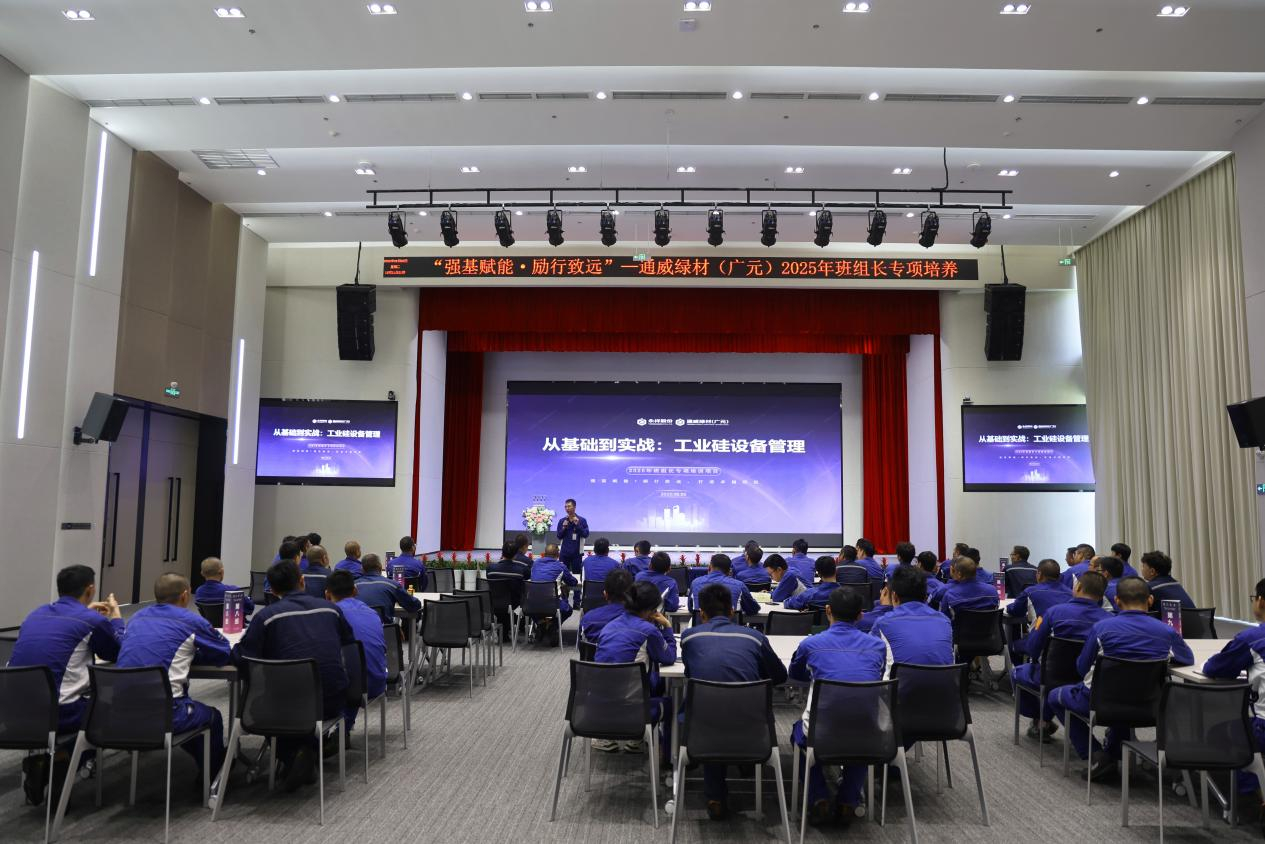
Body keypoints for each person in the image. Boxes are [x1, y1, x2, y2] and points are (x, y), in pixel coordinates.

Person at [1046, 575, 1193, 779]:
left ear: (1116, 600)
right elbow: (1187, 658)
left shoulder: (1102, 628)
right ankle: (1113, 752)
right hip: (1149, 705)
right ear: (1150, 600)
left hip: (1100, 703)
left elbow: (1081, 667)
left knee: (1055, 696)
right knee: (1127, 691)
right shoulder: (1167, 632)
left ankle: (1096, 754)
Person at [233, 559, 356, 790]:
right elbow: (348, 643)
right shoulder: (331, 609)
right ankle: (306, 751)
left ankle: (295, 754)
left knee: (262, 706)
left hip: (284, 705)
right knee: (295, 706)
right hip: (331, 700)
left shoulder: (266, 617)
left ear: (272, 590)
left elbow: (243, 658)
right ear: (302, 581)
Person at [681, 583, 788, 819]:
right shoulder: (755, 638)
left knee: (708, 712)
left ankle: (715, 796)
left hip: (703, 727)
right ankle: (745, 763)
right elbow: (780, 676)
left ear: (702, 614)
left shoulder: (689, 638)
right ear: (732, 611)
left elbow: (691, 673)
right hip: (753, 726)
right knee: (729, 709)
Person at [117, 573, 231, 782]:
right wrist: (195, 654)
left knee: (192, 713)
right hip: (165, 714)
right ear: (185, 595)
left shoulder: (135, 618)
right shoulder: (191, 621)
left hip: (118, 713)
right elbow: (223, 652)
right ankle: (213, 779)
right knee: (212, 717)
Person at [790, 586, 886, 826]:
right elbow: (876, 676)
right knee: (860, 731)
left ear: (827, 610)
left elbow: (796, 674)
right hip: (869, 731)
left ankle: (818, 797)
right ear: (860, 615)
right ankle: (848, 800)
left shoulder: (811, 644)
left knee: (797, 734)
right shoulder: (877, 646)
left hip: (821, 732)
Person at [9, 565, 124, 733]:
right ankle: (84, 750)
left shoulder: (35, 614)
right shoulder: (92, 620)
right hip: (59, 714)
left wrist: (85, 611)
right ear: (90, 590)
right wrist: (116, 618)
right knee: (112, 703)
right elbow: (118, 652)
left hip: (14, 711)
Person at [1011, 571, 1110, 742]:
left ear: (1078, 587)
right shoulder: (1108, 621)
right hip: (1090, 683)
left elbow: (1033, 649)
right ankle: (1044, 719)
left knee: (1017, 672)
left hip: (1050, 677)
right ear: (1102, 595)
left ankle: (1040, 718)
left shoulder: (1053, 613)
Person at [593, 581, 677, 756]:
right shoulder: (649, 630)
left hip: (599, 708)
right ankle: (667, 758)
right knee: (671, 702)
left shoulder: (609, 626)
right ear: (652, 609)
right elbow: (668, 657)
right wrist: (667, 627)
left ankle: (622, 737)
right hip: (633, 711)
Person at [1201, 577, 1265, 799]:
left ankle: (1254, 791)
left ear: (1261, 601)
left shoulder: (1253, 638)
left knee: (1218, 733)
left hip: (1263, 727)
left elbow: (1214, 668)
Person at [324, 571, 387, 736]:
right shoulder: (372, 612)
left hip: (349, 689)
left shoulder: (329, 614)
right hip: (377, 682)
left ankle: (324, 737)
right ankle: (342, 730)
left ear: (327, 594)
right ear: (355, 590)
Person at [869, 566, 954, 666]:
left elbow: (869, 659)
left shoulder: (883, 623)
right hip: (946, 676)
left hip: (900, 676)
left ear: (894, 596)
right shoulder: (944, 621)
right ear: (925, 597)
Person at [530, 542, 578, 645]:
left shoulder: (535, 564)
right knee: (568, 609)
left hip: (531, 604)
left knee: (538, 609)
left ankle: (542, 624)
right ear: (558, 554)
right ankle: (553, 626)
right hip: (552, 603)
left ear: (544, 554)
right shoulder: (560, 566)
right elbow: (573, 582)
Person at [355, 553, 420, 622]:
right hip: (385, 628)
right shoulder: (392, 585)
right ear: (380, 567)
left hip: (357, 628)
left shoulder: (352, 587)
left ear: (362, 569)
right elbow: (414, 605)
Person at [1005, 559, 1073, 623]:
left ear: (1039, 574)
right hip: (1066, 631)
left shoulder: (1030, 591)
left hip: (1041, 630)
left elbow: (1015, 610)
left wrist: (1008, 606)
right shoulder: (1071, 593)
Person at [690, 554, 759, 616]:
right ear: (729, 571)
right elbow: (753, 610)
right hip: (730, 626)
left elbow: (691, 608)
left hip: (701, 626)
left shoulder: (695, 583)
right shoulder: (739, 585)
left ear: (710, 566)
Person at [580, 567, 634, 643]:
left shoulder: (588, 618)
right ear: (631, 594)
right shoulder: (639, 620)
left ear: (605, 594)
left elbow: (583, 646)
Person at [556, 498, 590, 574]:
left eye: (569, 506)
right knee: (563, 574)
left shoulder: (582, 520)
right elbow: (559, 536)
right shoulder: (562, 521)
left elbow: (585, 534)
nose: (567, 508)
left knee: (577, 574)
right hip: (564, 553)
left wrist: (578, 525)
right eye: (565, 507)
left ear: (574, 507)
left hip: (577, 553)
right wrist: (564, 528)